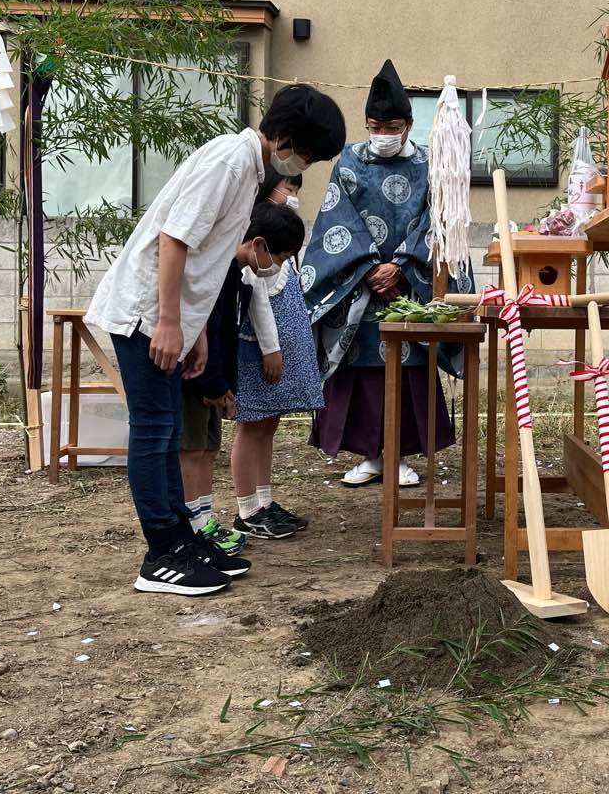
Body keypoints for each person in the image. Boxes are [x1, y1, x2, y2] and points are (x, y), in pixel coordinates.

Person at [84, 84, 346, 596]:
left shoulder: (248, 170)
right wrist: (166, 320)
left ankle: (180, 540)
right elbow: (174, 239)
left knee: (168, 427)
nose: (304, 166)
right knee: (156, 430)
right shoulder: (230, 162)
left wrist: (197, 327)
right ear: (287, 137)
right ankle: (162, 553)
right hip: (142, 312)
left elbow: (208, 259)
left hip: (174, 315)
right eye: (308, 153)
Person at [301, 60, 474, 488]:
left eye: (392, 126)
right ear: (367, 125)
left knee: (410, 368)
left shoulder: (429, 164)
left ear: (410, 124)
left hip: (411, 283)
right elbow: (335, 223)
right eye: (375, 126)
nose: (383, 134)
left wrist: (401, 265)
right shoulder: (348, 161)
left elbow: (439, 218)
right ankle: (370, 456)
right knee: (361, 372)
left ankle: (398, 457)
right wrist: (367, 268)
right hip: (359, 286)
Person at [180, 197, 306, 553]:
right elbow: (205, 333)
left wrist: (225, 386)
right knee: (190, 450)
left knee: (206, 448)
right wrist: (212, 384)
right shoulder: (214, 275)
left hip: (214, 379)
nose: (278, 266)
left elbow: (227, 339)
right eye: (279, 258)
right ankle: (195, 527)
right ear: (259, 244)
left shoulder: (235, 276)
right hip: (195, 376)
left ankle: (205, 522)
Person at [229, 174, 323, 540]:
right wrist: (271, 349)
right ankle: (246, 508)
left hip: (281, 346)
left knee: (269, 423)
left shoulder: (279, 240)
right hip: (260, 348)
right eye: (288, 188)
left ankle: (264, 500)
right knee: (251, 424)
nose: (292, 196)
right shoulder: (253, 255)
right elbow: (259, 305)